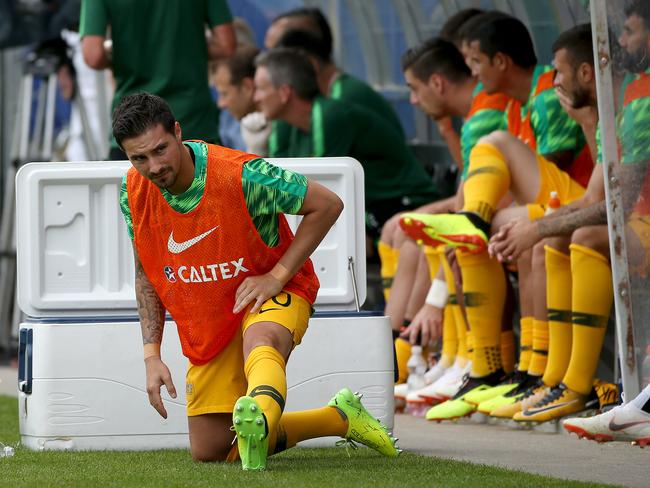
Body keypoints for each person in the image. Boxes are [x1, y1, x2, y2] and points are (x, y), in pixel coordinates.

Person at [115, 92, 399, 469]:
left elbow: (328, 204)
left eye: (160, 150)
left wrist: (277, 275)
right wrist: (152, 356)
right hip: (212, 320)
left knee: (260, 339)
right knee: (212, 449)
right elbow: (146, 273)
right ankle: (340, 418)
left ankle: (260, 418)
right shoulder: (132, 192)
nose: (153, 167)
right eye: (139, 158)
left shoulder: (242, 174)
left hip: (276, 292)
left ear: (178, 132)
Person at [400, 15, 594, 422]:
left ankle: (527, 371)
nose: (470, 72)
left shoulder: (541, 97)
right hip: (568, 201)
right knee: (477, 228)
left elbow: (557, 171)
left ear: (501, 61)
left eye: (474, 61)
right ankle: (482, 368)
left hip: (582, 205)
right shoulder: (522, 104)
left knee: (494, 221)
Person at [490, 5, 650, 422]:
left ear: (584, 74)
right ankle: (551, 378)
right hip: (638, 223)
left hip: (641, 224)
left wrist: (537, 227)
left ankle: (576, 385)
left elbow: (614, 208)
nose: (553, 81)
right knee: (557, 236)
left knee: (585, 237)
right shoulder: (619, 106)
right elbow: (600, 196)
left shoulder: (641, 100)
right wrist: (539, 229)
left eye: (558, 72)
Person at [253, 48, 439, 240]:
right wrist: (256, 150)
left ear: (284, 93)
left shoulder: (329, 116)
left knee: (338, 238)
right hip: (367, 207)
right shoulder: (285, 125)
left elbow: (319, 188)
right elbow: (275, 181)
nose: (255, 97)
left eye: (260, 88)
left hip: (405, 203)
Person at [80, 0, 237, 159]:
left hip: (132, 133)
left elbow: (93, 55)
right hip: (194, 125)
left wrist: (124, 54)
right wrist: (187, 47)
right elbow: (226, 45)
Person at [212, 45, 271, 155]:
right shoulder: (227, 120)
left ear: (247, 87)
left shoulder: (282, 125)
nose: (220, 104)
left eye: (224, 94)